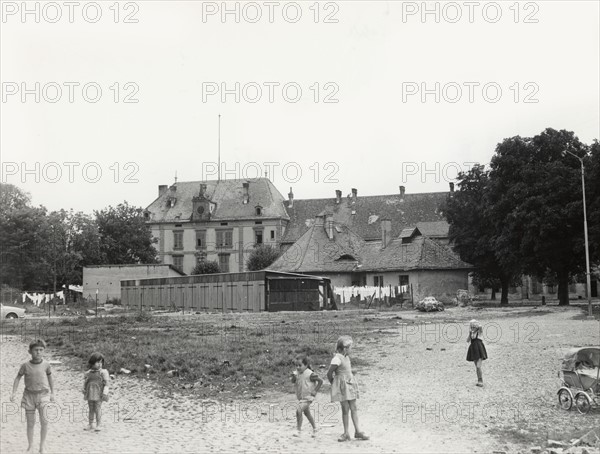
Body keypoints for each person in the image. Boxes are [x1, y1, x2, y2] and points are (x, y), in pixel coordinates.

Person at [10, 339, 55, 454]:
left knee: (44, 421)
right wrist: (14, 392)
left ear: (44, 351)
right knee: (30, 423)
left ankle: (42, 446)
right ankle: (30, 446)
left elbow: (50, 378)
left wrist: (53, 393)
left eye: (41, 350)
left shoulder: (46, 365)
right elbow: (18, 378)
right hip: (29, 396)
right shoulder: (25, 366)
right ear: (30, 351)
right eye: (36, 350)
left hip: (43, 395)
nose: (38, 352)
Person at [327, 336, 369, 442]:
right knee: (345, 409)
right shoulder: (337, 358)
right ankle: (346, 433)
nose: (351, 349)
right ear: (345, 348)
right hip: (342, 386)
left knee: (353, 407)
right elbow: (329, 373)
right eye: (350, 347)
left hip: (350, 384)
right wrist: (335, 384)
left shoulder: (346, 357)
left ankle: (358, 431)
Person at [290, 356, 323, 437]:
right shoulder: (296, 373)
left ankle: (298, 430)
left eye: (300, 365)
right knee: (307, 413)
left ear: (306, 365)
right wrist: (293, 378)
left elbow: (320, 381)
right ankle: (315, 428)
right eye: (296, 365)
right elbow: (293, 381)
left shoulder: (310, 374)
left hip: (308, 397)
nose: (298, 367)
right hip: (301, 397)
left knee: (298, 410)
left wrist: (315, 390)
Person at [83, 352, 110, 431]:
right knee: (91, 408)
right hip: (90, 393)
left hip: (99, 393)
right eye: (98, 362)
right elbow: (86, 382)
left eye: (101, 362)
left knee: (97, 408)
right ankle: (90, 424)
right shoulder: (88, 373)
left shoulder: (103, 372)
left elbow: (106, 383)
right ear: (92, 363)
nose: (100, 364)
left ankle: (99, 424)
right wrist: (84, 389)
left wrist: (105, 392)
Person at [466, 319, 488, 387]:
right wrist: (470, 333)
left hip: (479, 349)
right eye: (471, 326)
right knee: (477, 366)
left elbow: (480, 327)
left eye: (474, 327)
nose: (472, 328)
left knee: (478, 366)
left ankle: (480, 381)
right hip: (473, 349)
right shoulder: (471, 333)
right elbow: (467, 340)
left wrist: (475, 324)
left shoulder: (479, 332)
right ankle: (479, 379)